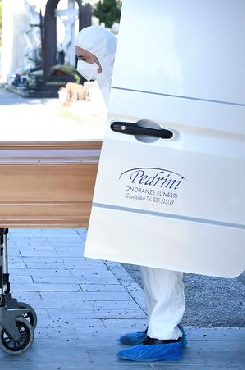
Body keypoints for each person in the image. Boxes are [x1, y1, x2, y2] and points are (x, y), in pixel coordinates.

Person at [75, 25, 186, 362]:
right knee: (148, 254)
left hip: (158, 177)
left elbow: (152, 126)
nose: (82, 66)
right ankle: (159, 326)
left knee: (162, 255)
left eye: (85, 58)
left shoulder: (136, 79)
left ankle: (166, 334)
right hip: (142, 175)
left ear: (102, 53)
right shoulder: (112, 78)